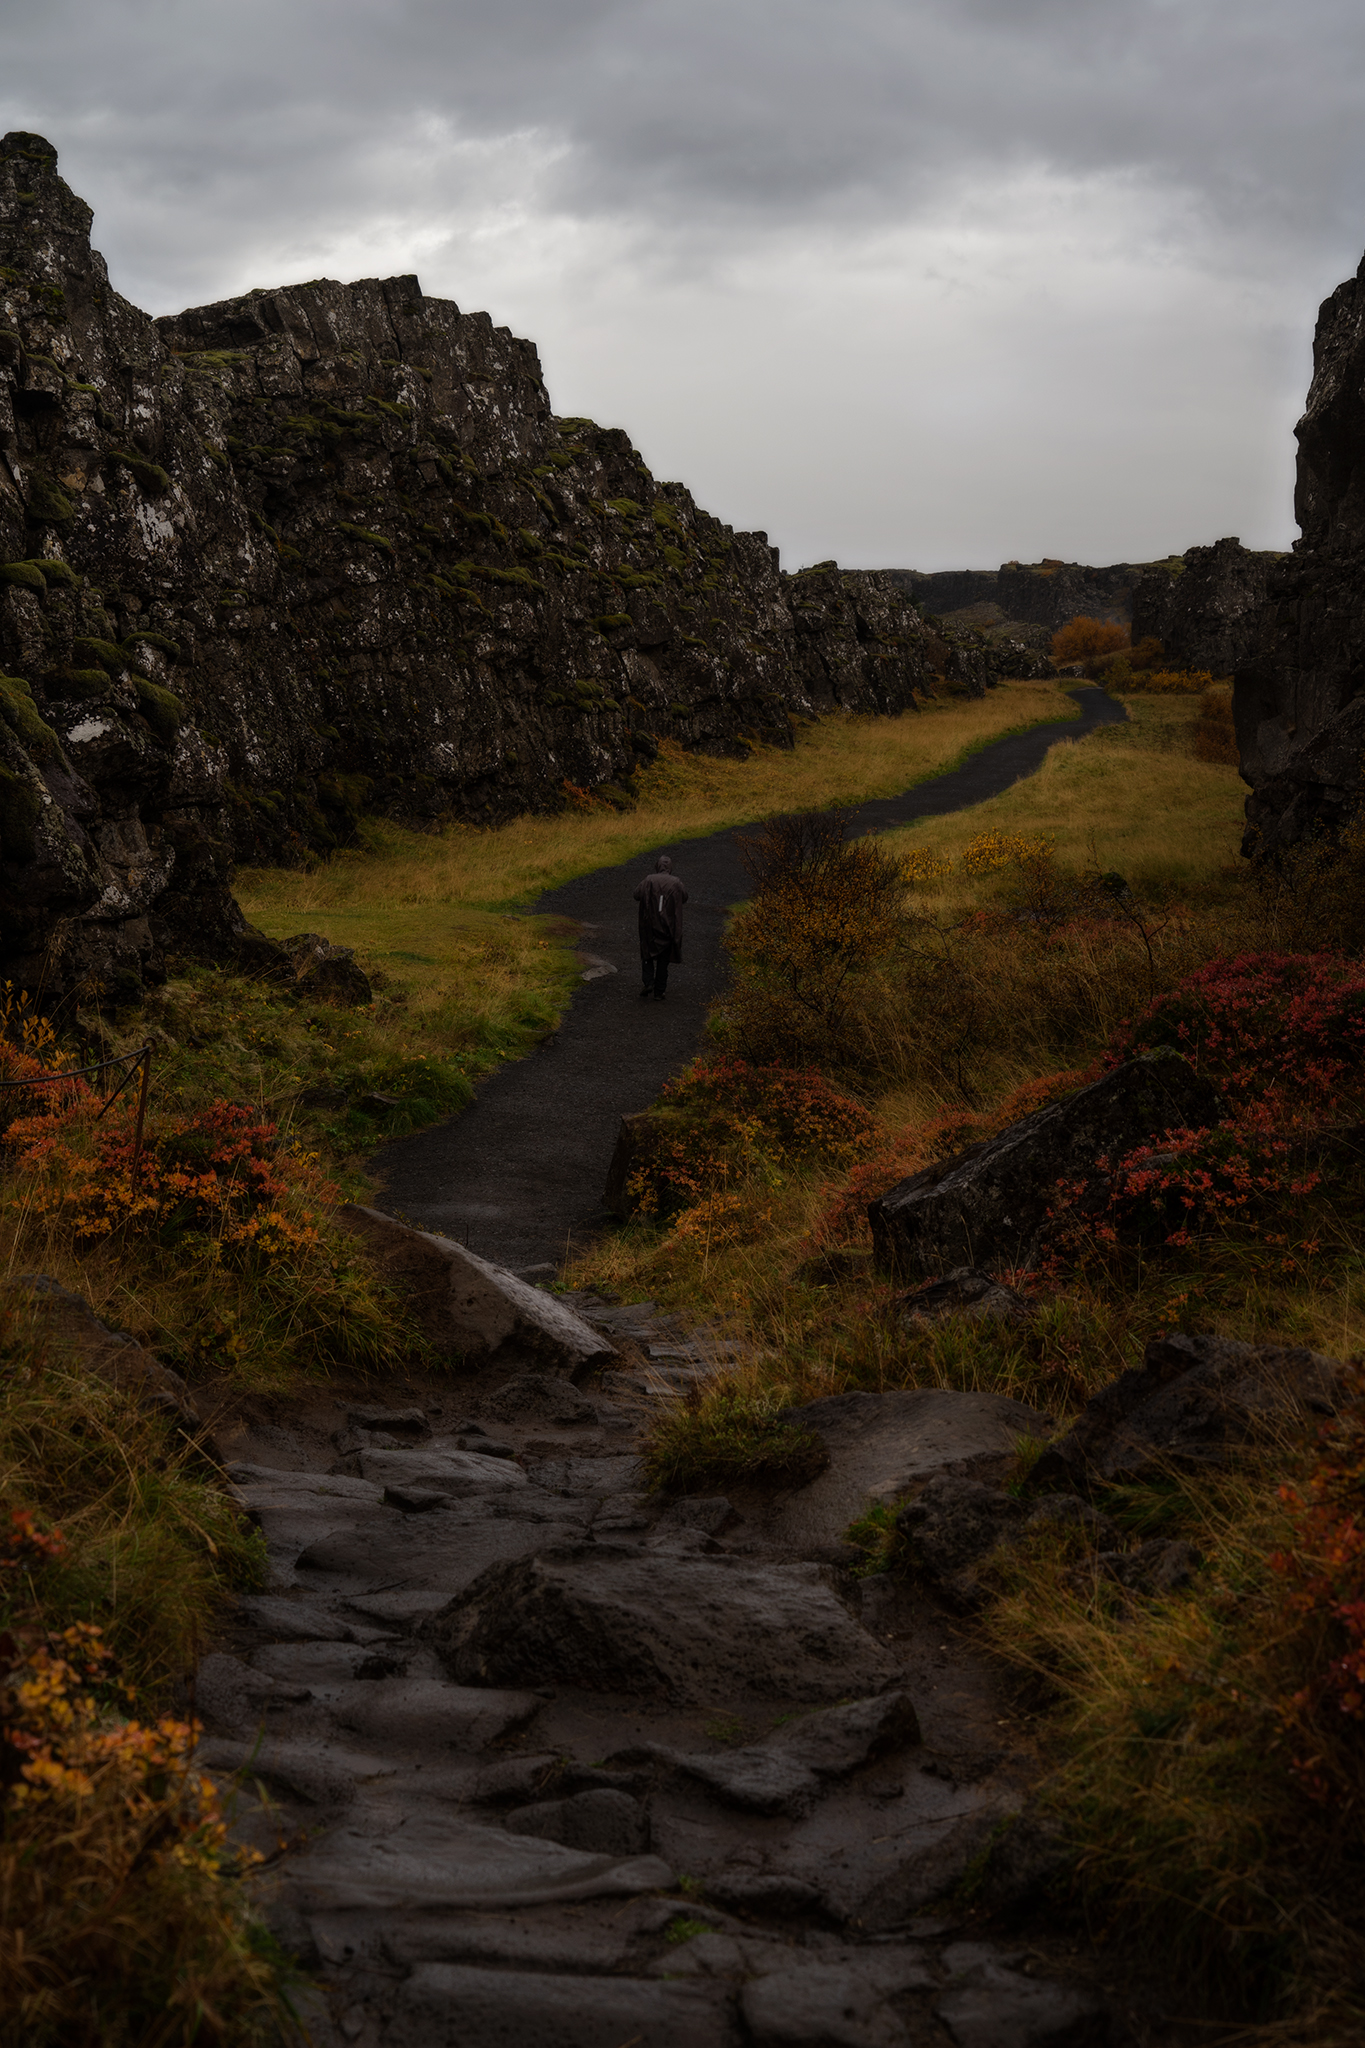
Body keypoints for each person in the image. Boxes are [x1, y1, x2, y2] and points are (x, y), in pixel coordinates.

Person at [633, 853, 687, 1000]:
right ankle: (659, 991)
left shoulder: (649, 879)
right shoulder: (676, 882)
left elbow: (636, 894)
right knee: (664, 960)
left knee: (647, 954)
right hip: (668, 926)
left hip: (649, 924)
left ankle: (648, 981)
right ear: (670, 868)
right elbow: (685, 897)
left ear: (657, 866)